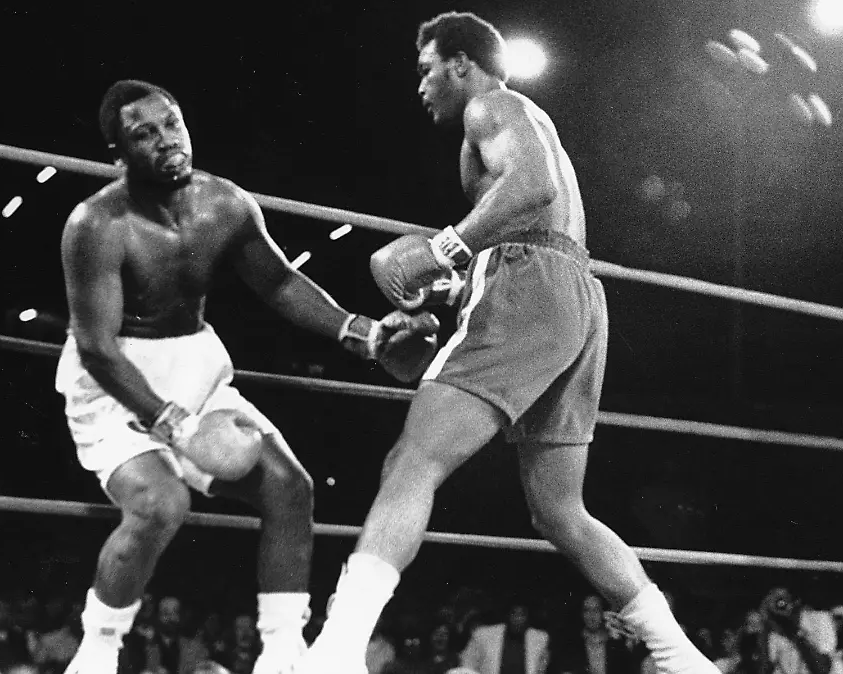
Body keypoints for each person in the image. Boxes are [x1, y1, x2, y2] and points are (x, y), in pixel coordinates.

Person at [302, 12, 720, 674]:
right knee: (560, 510)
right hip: (576, 296)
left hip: (528, 283)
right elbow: (526, 226)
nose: (421, 87)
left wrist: (444, 248)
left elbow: (532, 191)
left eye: (426, 70)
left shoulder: (490, 106)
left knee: (413, 461)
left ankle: (337, 650)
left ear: (461, 64)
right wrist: (447, 289)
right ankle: (682, 660)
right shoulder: (526, 116)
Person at [55, 79, 438, 674]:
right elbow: (97, 348)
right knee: (161, 505)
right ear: (119, 152)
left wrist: (358, 331)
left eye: (171, 123)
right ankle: (97, 653)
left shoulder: (226, 204)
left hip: (195, 366)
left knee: (290, 486)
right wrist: (172, 425)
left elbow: (280, 282)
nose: (166, 141)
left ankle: (285, 655)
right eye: (144, 134)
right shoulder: (96, 225)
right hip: (117, 380)